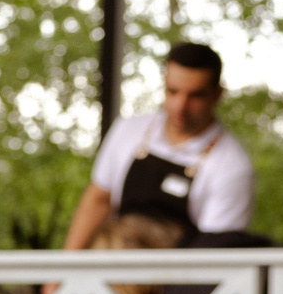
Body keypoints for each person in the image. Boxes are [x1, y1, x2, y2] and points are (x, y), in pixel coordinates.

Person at [66, 42, 255, 248]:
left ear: (218, 94)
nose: (180, 106)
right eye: (172, 92)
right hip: (108, 265)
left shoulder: (232, 167)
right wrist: (61, 273)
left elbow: (212, 254)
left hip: (178, 275)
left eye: (195, 96)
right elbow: (98, 200)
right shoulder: (128, 130)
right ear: (163, 83)